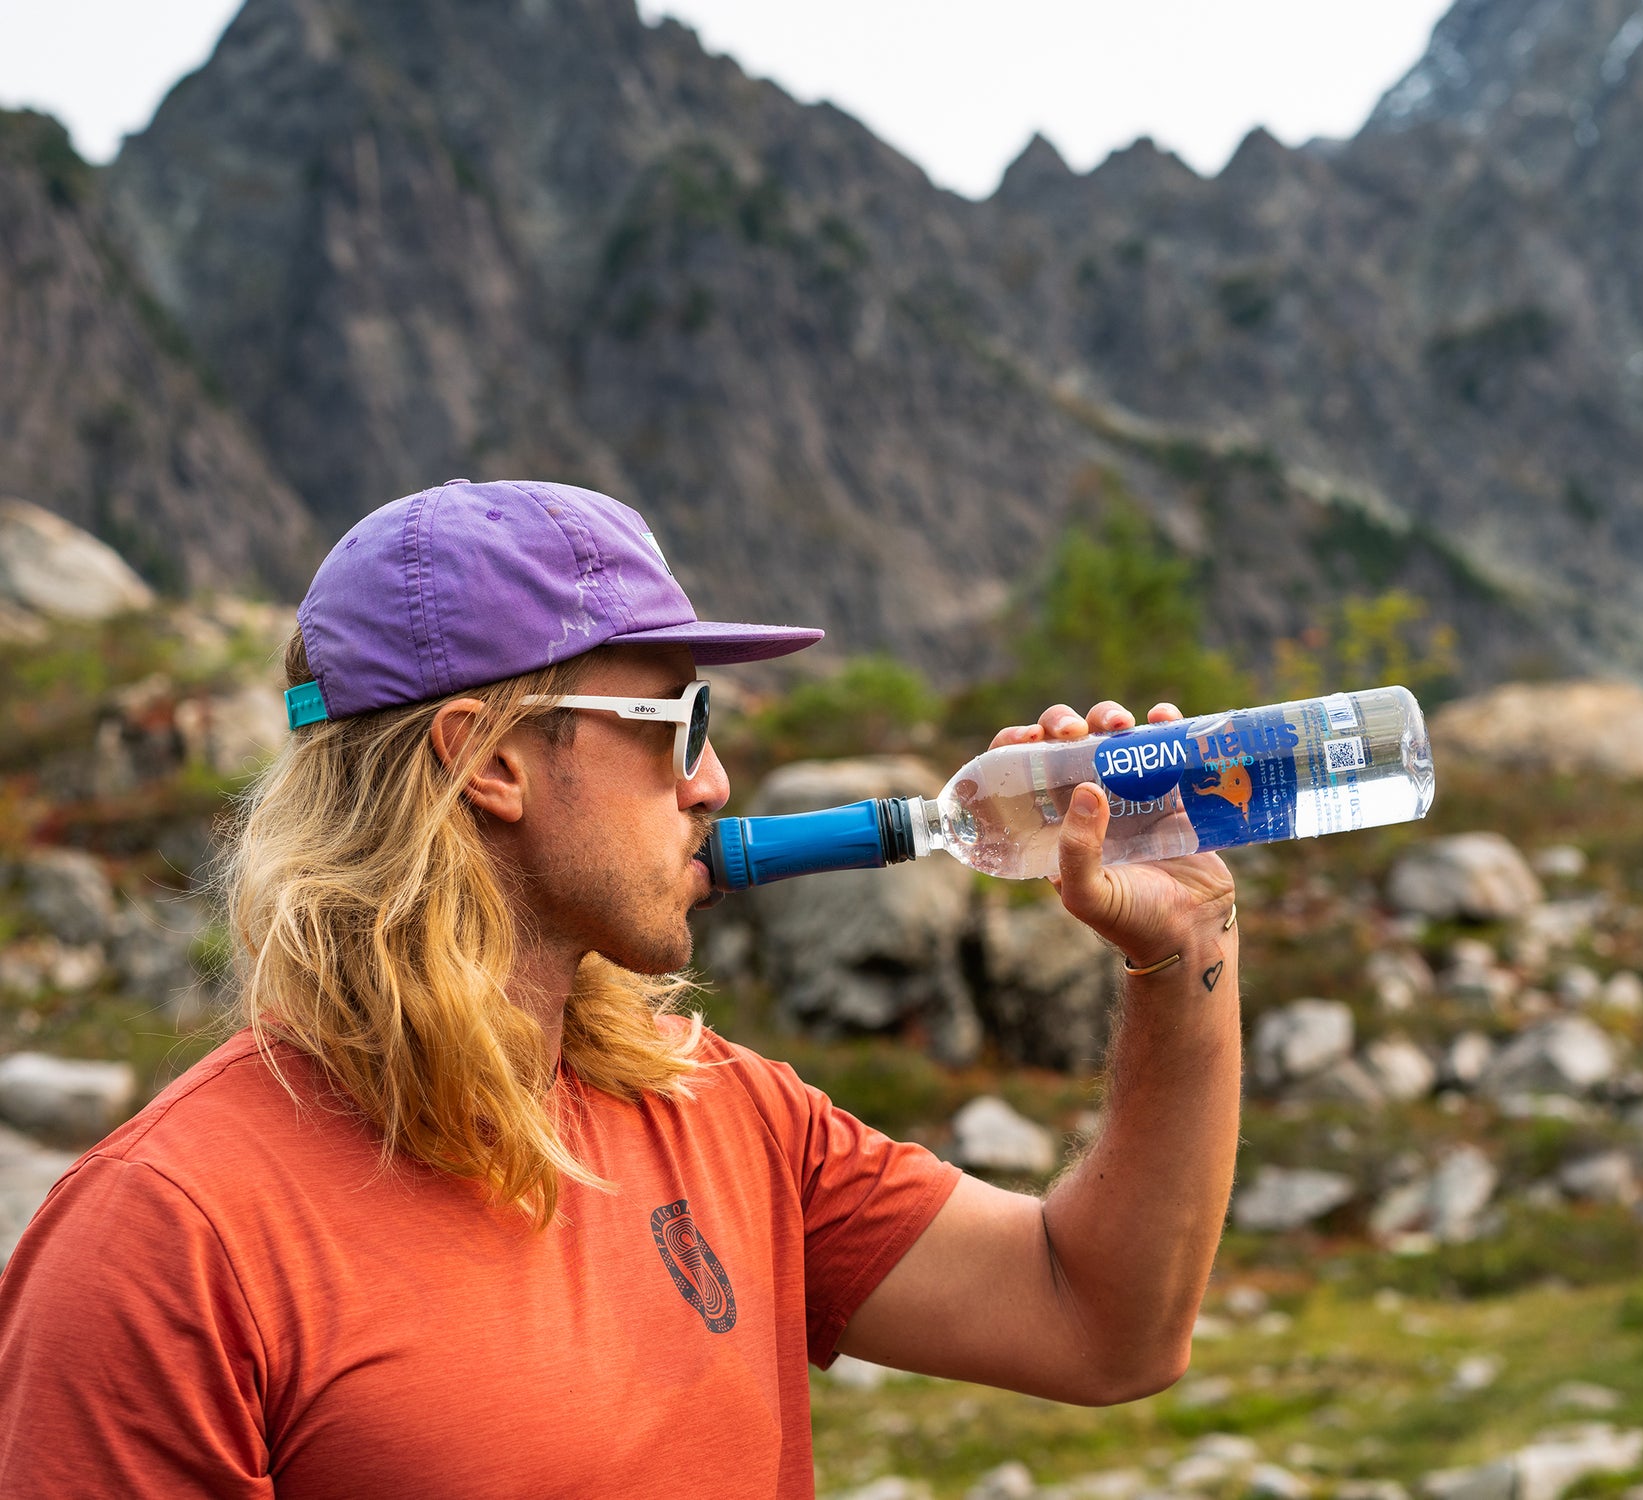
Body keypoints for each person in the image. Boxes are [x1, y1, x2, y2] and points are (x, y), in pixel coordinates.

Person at [0, 479, 1242, 1498]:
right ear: (486, 760)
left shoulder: (725, 1116)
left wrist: (1178, 952)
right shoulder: (166, 1239)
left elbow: (1104, 1324)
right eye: (675, 721)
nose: (710, 781)